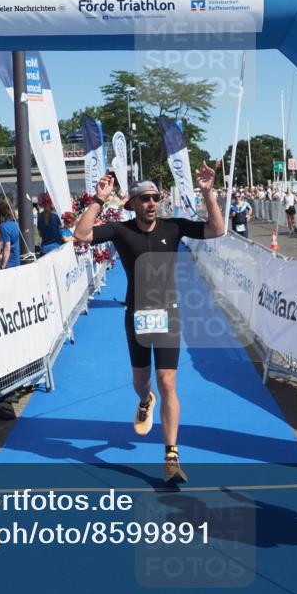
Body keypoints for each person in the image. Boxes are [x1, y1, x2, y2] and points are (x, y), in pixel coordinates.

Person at [73, 166, 224, 483]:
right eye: (145, 198)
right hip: (137, 316)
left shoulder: (175, 226)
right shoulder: (121, 231)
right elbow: (82, 234)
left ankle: (171, 455)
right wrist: (99, 199)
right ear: (133, 204)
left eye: (156, 197)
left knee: (168, 382)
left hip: (169, 314)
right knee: (142, 383)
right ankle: (145, 401)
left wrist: (209, 193)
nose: (152, 203)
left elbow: (217, 229)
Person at [0, 197, 21, 269]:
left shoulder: (4, 226)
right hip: (16, 260)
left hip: (9, 263)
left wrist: (2, 266)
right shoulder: (16, 223)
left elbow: (7, 248)